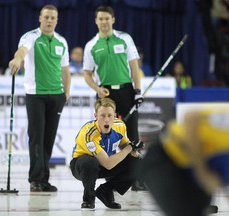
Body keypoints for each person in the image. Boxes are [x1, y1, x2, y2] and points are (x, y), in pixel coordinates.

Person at [139, 104, 229, 215]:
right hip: (166, 159)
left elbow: (217, 180)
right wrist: (202, 172)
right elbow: (192, 117)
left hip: (195, 173)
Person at [8, 4, 71, 192]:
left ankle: (44, 179)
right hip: (36, 95)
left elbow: (66, 71)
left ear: (57, 20)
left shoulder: (62, 41)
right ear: (40, 18)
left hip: (57, 95)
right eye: (46, 17)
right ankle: (35, 179)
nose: (50, 20)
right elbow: (22, 51)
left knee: (49, 139)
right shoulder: (31, 36)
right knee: (37, 137)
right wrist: (17, 60)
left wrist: (65, 94)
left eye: (53, 18)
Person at [83, 5, 145, 191]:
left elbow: (134, 67)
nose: (104, 22)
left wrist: (138, 90)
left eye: (107, 18)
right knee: (104, 134)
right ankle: (108, 174)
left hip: (126, 90)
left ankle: (135, 178)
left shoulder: (125, 39)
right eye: (100, 18)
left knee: (131, 132)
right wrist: (97, 88)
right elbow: (87, 73)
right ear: (96, 21)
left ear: (113, 19)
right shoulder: (91, 45)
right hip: (105, 94)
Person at [70, 98, 145, 210]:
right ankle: (88, 199)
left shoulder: (120, 126)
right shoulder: (89, 134)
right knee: (89, 162)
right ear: (96, 116)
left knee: (138, 162)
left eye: (110, 116)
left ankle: (106, 190)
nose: (106, 120)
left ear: (114, 116)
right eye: (102, 116)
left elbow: (125, 146)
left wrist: (134, 148)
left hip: (103, 163)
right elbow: (108, 164)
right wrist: (129, 148)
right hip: (82, 167)